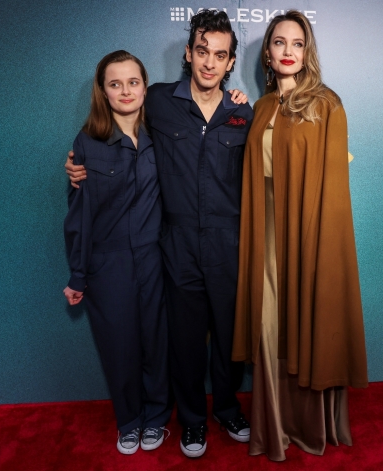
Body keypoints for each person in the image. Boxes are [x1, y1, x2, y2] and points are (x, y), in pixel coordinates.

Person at [65, 10, 253, 459]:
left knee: (230, 338)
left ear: (230, 63)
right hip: (177, 243)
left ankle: (226, 408)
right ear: (188, 53)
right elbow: (113, 126)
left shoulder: (243, 111)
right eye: (202, 51)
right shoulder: (159, 100)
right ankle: (190, 421)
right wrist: (77, 167)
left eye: (220, 55)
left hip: (229, 243)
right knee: (186, 341)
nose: (210, 62)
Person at [232, 10, 369, 461]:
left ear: (307, 52)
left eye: (297, 43)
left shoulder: (327, 104)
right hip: (265, 240)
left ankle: (310, 426)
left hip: (308, 240)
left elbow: (333, 196)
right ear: (267, 55)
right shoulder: (260, 108)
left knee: (307, 324)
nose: (287, 51)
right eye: (278, 43)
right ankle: (274, 424)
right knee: (269, 330)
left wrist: (319, 252)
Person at [63, 50, 170, 455]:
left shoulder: (162, 132)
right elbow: (80, 215)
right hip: (107, 263)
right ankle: (129, 420)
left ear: (145, 87)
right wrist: (78, 273)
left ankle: (158, 417)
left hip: (155, 256)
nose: (125, 90)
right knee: (119, 344)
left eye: (133, 82)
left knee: (157, 343)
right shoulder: (87, 142)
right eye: (115, 83)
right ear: (103, 92)